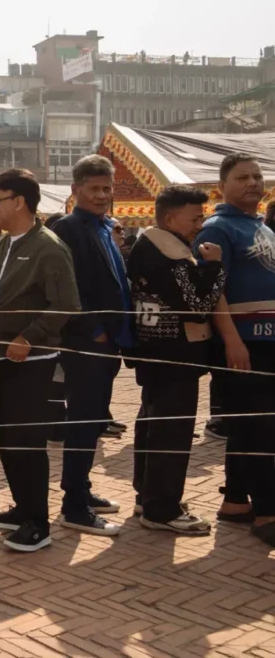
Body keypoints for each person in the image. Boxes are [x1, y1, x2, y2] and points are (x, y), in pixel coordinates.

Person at [0, 168, 80, 552]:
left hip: (32, 360)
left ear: (19, 202)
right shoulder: (3, 244)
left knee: (26, 440)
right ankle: (22, 508)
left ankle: (38, 524)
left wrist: (28, 337)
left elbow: (67, 304)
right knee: (6, 437)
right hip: (2, 357)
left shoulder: (49, 247)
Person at [128, 185, 224, 534]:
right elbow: (197, 307)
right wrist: (215, 267)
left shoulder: (148, 245)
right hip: (175, 357)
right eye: (195, 218)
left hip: (156, 354)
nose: (200, 225)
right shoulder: (168, 254)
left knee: (153, 426)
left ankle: (148, 496)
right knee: (172, 432)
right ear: (170, 219)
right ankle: (162, 508)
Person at [195, 153, 275, 546]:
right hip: (243, 342)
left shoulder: (262, 228)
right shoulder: (217, 228)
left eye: (257, 176)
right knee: (263, 428)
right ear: (221, 186)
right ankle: (268, 512)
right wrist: (231, 340)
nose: (253, 183)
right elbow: (214, 290)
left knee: (247, 425)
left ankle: (236, 502)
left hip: (267, 340)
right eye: (242, 177)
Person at [48, 155, 129, 537]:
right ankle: (74, 506)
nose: (101, 195)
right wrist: (94, 330)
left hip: (109, 340)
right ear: (75, 189)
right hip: (86, 342)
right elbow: (67, 287)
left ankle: (80, 489)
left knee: (94, 420)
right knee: (82, 421)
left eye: (106, 188)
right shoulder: (67, 228)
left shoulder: (105, 227)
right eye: (93, 188)